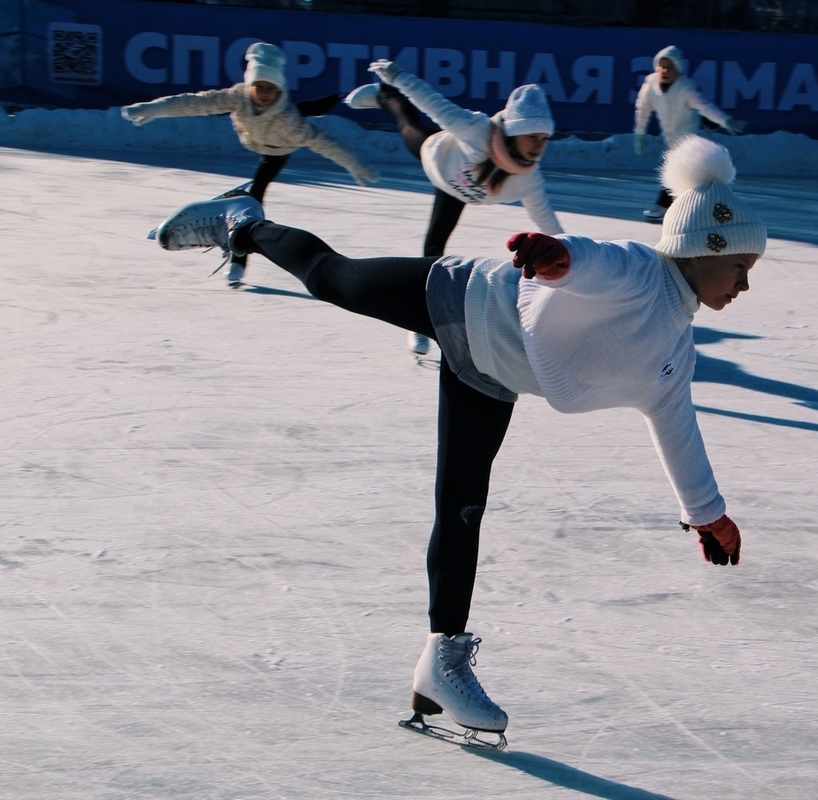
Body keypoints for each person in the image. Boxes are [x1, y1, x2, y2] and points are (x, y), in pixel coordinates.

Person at [148, 135, 763, 748]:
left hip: (490, 373)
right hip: (464, 298)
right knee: (331, 278)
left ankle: (440, 662)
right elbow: (594, 259)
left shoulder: (674, 350)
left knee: (463, 507)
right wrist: (557, 256)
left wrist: (707, 514)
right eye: (740, 266)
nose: (743, 285)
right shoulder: (639, 272)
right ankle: (244, 220)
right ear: (705, 248)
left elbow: (674, 420)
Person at [344, 61, 563, 357]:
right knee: (407, 122)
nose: (538, 146)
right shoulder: (476, 131)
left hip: (456, 191)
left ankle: (418, 319)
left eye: (543, 139)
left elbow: (548, 224)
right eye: (531, 136)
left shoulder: (528, 179)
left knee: (433, 249)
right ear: (512, 132)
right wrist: (398, 76)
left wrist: (576, 257)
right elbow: (433, 103)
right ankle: (386, 96)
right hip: (436, 159)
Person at [121, 42, 379, 286]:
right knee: (300, 110)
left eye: (271, 88)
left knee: (254, 198)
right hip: (258, 136)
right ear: (250, 84)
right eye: (260, 86)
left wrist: (352, 163)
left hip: (278, 148)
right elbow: (197, 102)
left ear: (280, 90)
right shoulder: (237, 97)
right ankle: (325, 101)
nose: (265, 93)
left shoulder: (288, 122)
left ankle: (238, 258)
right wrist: (156, 108)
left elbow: (322, 141)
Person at [633, 46, 745, 223]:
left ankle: (662, 207)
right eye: (661, 66)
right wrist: (639, 133)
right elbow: (642, 110)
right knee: (690, 179)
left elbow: (705, 107)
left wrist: (725, 120)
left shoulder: (685, 89)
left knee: (677, 172)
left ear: (678, 69)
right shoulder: (650, 88)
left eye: (670, 67)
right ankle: (705, 207)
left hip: (688, 142)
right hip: (671, 140)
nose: (665, 70)